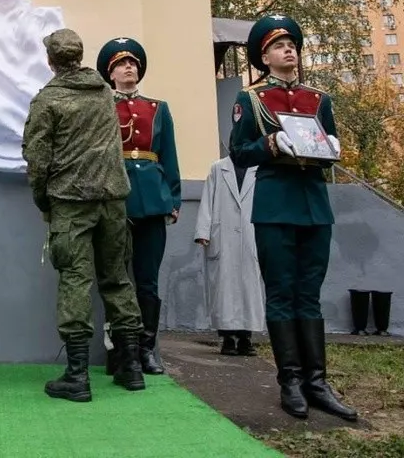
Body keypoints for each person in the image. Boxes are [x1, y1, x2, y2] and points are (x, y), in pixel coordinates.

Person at [229, 14, 356, 422]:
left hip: (314, 203)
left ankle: (317, 383)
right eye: (280, 45)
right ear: (264, 56)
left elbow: (330, 144)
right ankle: (290, 381)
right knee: (282, 291)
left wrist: (333, 145)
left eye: (293, 44)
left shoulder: (319, 100)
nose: (290, 50)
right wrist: (269, 143)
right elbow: (238, 152)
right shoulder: (251, 99)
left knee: (309, 293)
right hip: (275, 203)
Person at [22, 28, 145, 403]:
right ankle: (132, 368)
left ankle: (77, 376)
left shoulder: (49, 99)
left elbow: (37, 155)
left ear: (51, 61)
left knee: (76, 280)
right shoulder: (104, 93)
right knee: (117, 278)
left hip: (71, 202)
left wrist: (42, 199)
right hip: (113, 199)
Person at [96, 37, 181, 376]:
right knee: (116, 277)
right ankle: (120, 349)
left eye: (132, 63)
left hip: (152, 199)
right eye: (120, 64)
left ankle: (146, 349)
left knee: (147, 280)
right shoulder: (102, 106)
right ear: (110, 73)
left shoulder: (158, 108)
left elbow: (169, 155)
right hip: (116, 198)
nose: (128, 67)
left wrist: (173, 198)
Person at [193, 156, 264, 357]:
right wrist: (203, 231)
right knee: (224, 288)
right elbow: (207, 198)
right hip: (222, 235)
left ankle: (246, 337)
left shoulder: (259, 168)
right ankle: (227, 338)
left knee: (250, 287)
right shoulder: (218, 168)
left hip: (251, 234)